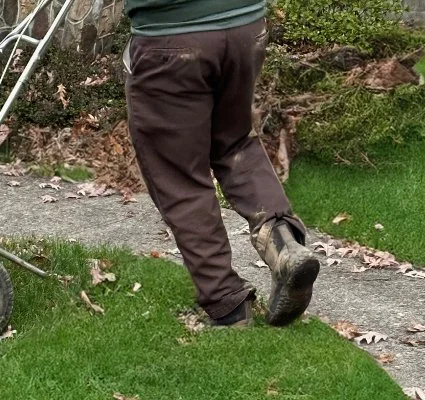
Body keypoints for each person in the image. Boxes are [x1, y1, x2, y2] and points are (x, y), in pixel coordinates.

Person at [122, 0, 320, 327]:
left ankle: (226, 302)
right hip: (244, 27)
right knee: (234, 141)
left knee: (178, 174)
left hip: (172, 37)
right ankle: (283, 244)